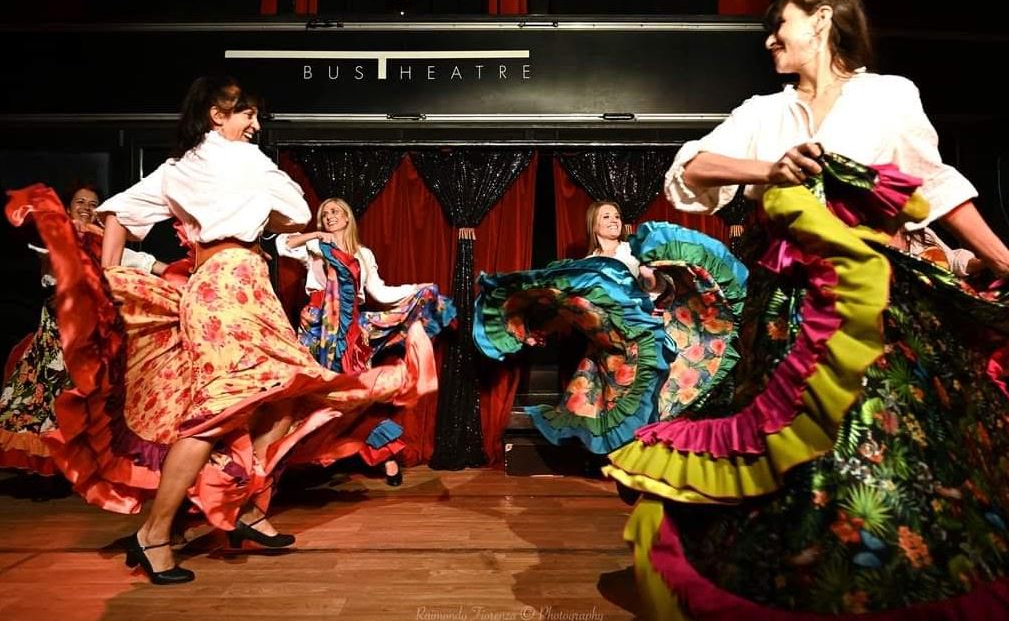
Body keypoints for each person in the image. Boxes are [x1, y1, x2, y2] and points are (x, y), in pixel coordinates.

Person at [604, 0, 1009, 618]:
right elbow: (689, 170)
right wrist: (770, 169)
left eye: (780, 25)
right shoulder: (765, 111)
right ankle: (785, 579)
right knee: (787, 455)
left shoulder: (889, 96)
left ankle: (881, 581)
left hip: (872, 306)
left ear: (821, 19)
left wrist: (1003, 258)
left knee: (873, 443)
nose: (769, 39)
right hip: (783, 311)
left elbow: (937, 185)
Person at [6, 76, 435, 585]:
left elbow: (118, 213)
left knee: (282, 400)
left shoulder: (178, 168)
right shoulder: (245, 161)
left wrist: (110, 275)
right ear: (217, 114)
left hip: (237, 285)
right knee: (220, 413)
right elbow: (297, 213)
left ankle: (240, 505)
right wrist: (113, 282)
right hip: (228, 287)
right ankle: (156, 534)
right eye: (247, 113)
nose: (255, 124)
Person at [473, 200, 745, 455]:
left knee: (645, 398)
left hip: (642, 335)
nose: (615, 221)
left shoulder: (633, 253)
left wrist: (648, 277)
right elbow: (577, 308)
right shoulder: (586, 266)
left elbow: (658, 288)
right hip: (608, 346)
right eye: (607, 217)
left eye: (617, 216)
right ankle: (624, 457)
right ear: (594, 225)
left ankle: (646, 454)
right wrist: (537, 329)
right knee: (614, 400)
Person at [275, 197, 455, 485]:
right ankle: (283, 467)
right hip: (316, 329)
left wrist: (417, 288)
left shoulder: (363, 254)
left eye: (335, 211)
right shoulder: (316, 247)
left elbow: (380, 292)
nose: (329, 216)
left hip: (350, 331)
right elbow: (282, 244)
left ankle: (387, 457)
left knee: (356, 396)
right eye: (325, 213)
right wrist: (315, 235)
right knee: (310, 396)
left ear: (347, 218)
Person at [0, 184, 165, 480]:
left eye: (93, 203)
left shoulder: (106, 244)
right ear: (68, 208)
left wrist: (190, 271)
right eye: (80, 202)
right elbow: (53, 256)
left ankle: (83, 466)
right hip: (57, 338)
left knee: (91, 402)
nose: (86, 207)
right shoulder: (57, 238)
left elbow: (148, 263)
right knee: (48, 399)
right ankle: (50, 466)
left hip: (92, 339)